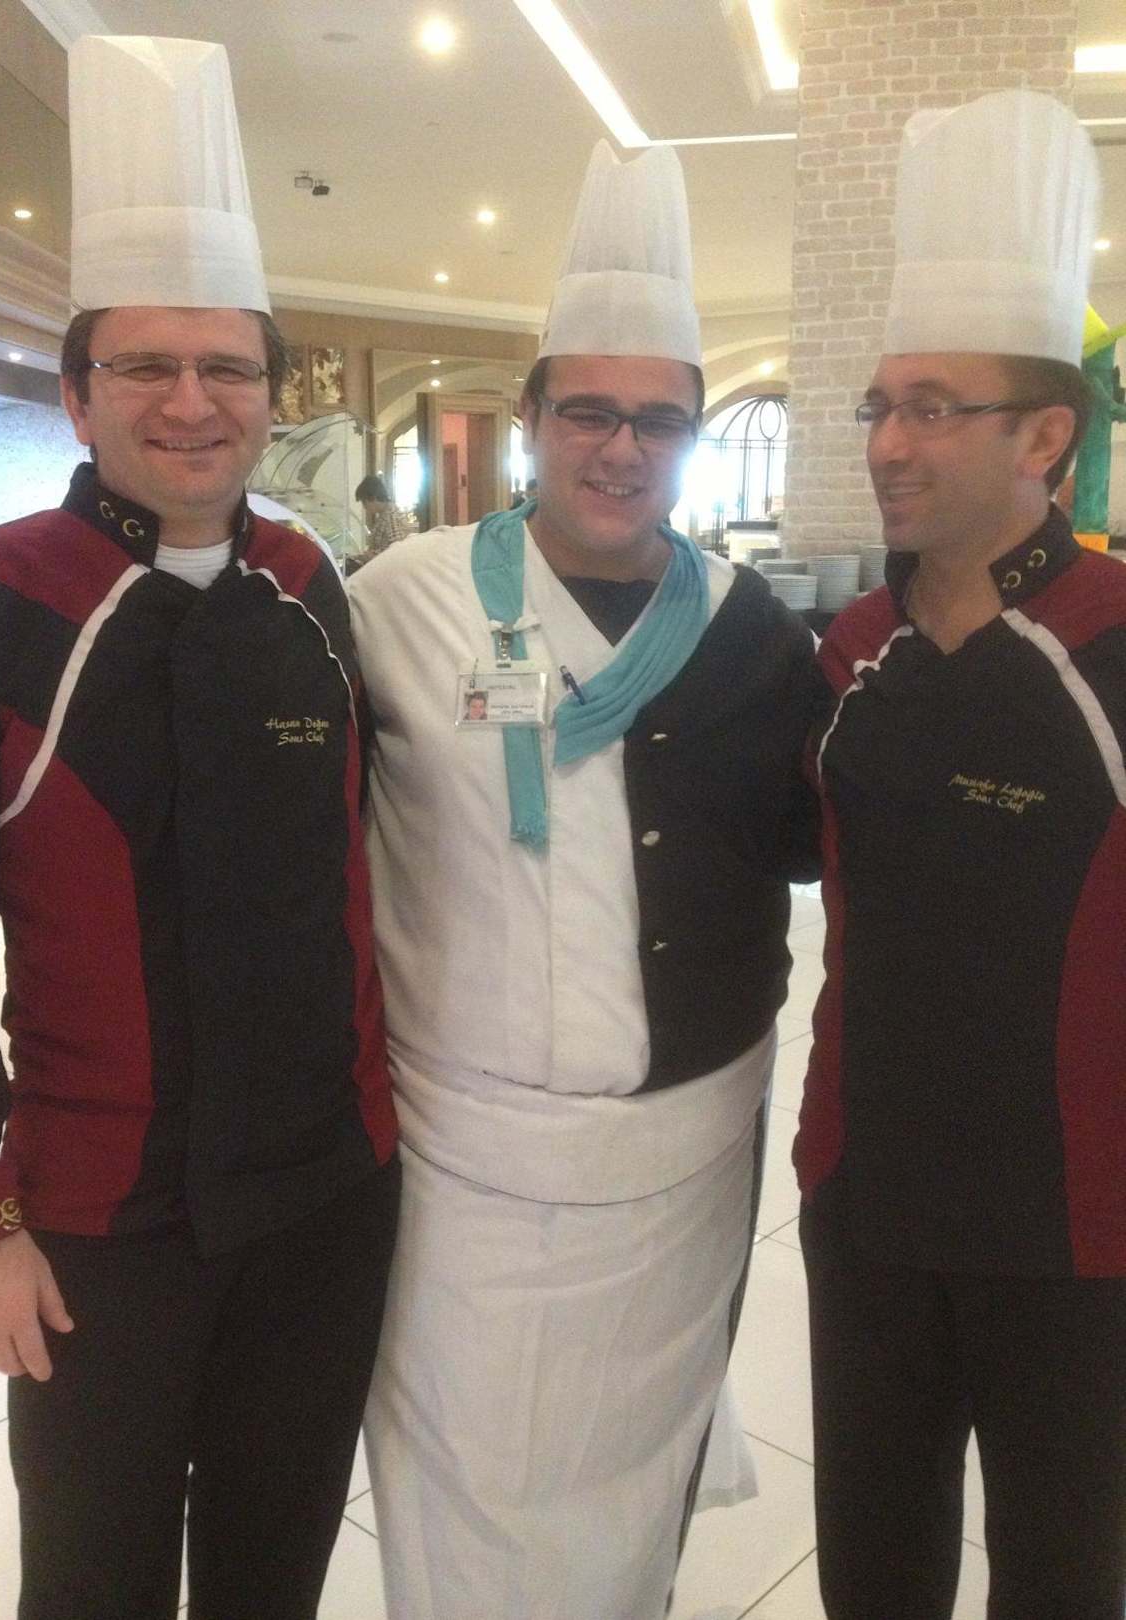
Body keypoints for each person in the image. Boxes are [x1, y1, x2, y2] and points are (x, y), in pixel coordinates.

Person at [0, 37, 397, 1620]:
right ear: (76, 394)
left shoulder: (309, 588)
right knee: (92, 1586)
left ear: (270, 393)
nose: (191, 403)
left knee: (275, 1571)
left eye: (228, 370)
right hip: (98, 1217)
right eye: (143, 368)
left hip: (326, 1197)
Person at [349, 140, 819, 1620]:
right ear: (534, 419)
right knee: (465, 1468)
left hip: (684, 1154)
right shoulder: (397, 604)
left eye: (659, 421)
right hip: (465, 1156)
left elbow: (816, 837)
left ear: (691, 440)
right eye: (590, 414)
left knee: (629, 1470)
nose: (622, 450)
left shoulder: (750, 629)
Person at [794, 91, 1126, 1620]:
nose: (886, 442)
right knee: (871, 1570)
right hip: (862, 1197)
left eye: (930, 407)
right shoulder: (847, 648)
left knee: (1059, 1577)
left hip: (1076, 1225)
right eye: (877, 406)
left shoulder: (1108, 644)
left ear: (1042, 436)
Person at [355, 473, 408, 556]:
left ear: (373, 498)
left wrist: (371, 555)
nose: (364, 507)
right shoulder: (384, 514)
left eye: (364, 502)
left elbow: (396, 551)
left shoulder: (391, 518)